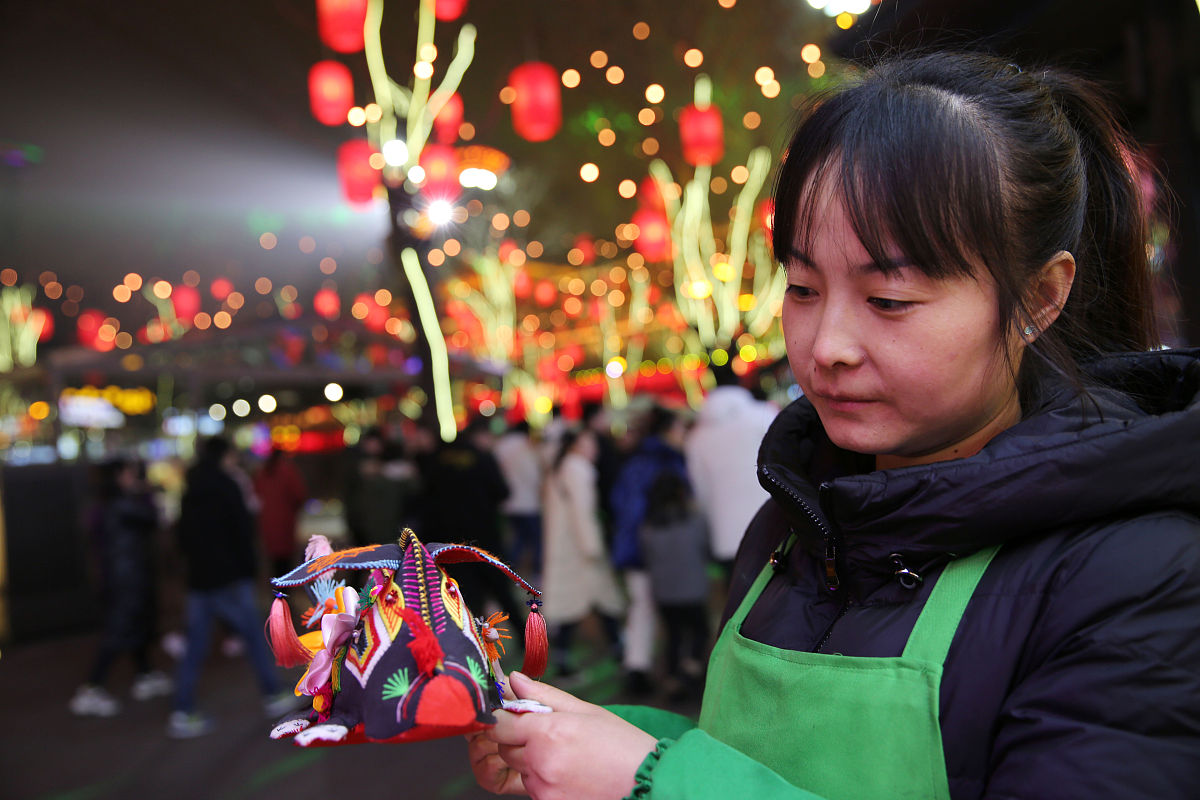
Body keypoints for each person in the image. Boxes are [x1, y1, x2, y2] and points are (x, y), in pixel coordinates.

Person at [466, 50, 1200, 799]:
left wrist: (655, 782)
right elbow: (759, 759)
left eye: (889, 300)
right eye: (805, 287)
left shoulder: (1139, 573)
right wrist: (599, 742)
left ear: (1040, 297)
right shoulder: (798, 519)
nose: (826, 347)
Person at [169, 436, 296, 738]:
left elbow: (182, 536)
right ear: (224, 456)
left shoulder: (190, 490)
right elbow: (242, 532)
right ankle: (272, 692)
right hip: (230, 576)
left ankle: (182, 709)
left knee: (196, 644)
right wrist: (249, 569)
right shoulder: (228, 486)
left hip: (201, 578)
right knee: (253, 633)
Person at [69, 457, 171, 716]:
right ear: (117, 477)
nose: (133, 478)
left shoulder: (104, 504)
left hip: (120, 577)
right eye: (129, 473)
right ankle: (91, 688)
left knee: (135, 626)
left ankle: (144, 674)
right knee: (119, 632)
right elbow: (154, 517)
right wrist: (145, 491)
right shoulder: (123, 504)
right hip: (127, 579)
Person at [608, 404, 690, 694]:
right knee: (674, 610)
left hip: (634, 548)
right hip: (660, 549)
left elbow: (620, 504)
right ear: (668, 430)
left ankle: (638, 667)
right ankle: (675, 671)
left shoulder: (635, 461)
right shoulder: (668, 462)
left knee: (642, 608)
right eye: (681, 428)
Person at [540, 429, 625, 676]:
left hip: (566, 547)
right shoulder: (578, 469)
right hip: (580, 549)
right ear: (576, 445)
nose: (594, 449)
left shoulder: (562, 466)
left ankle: (570, 656)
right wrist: (592, 546)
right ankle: (617, 649)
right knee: (598, 600)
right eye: (590, 443)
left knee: (578, 603)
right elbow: (582, 512)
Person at [684, 361, 777, 581]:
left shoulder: (697, 436)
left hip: (725, 535)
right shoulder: (762, 415)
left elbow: (700, 490)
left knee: (741, 605)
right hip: (771, 524)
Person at [637, 472, 710, 702]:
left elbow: (648, 559)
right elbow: (705, 548)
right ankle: (691, 670)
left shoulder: (649, 526)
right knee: (700, 631)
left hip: (664, 593)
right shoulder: (694, 520)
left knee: (674, 635)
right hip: (693, 589)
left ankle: (673, 677)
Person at [493, 419, 544, 580]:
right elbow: (532, 474)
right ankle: (536, 571)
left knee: (517, 539)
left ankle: (509, 570)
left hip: (508, 502)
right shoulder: (525, 446)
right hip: (528, 501)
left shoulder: (500, 445)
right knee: (535, 539)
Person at [253, 447, 308, 578]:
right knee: (285, 563)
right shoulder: (288, 472)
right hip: (285, 523)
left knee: (272, 562)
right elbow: (299, 495)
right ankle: (284, 591)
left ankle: (276, 590)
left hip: (267, 524)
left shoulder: (262, 473)